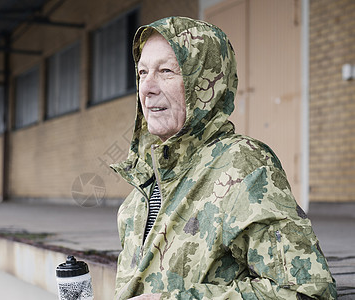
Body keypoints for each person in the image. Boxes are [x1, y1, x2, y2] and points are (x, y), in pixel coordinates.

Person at [110, 16, 337, 299]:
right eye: (142, 73)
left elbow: (308, 291)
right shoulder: (138, 196)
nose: (147, 87)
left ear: (205, 82)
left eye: (166, 71)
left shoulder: (243, 165)